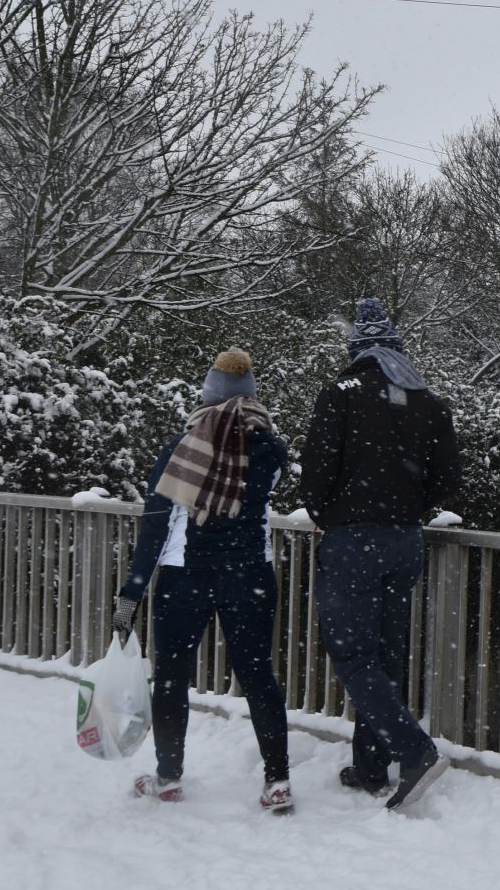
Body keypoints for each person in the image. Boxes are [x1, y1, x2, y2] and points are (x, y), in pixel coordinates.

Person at [300, 298, 465, 811]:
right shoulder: (428, 401)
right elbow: (449, 477)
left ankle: (415, 751)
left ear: (358, 349)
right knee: (387, 655)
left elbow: (317, 469)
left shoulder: (341, 394)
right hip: (404, 541)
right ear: (396, 348)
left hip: (353, 540)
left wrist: (328, 513)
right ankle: (371, 766)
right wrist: (410, 506)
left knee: (353, 655)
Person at [113, 348, 294, 813]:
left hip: (183, 576)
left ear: (207, 395)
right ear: (251, 396)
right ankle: (277, 781)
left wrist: (131, 593)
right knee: (258, 676)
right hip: (250, 575)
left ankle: (169, 777)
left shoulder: (181, 449)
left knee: (171, 677)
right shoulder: (272, 449)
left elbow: (156, 523)